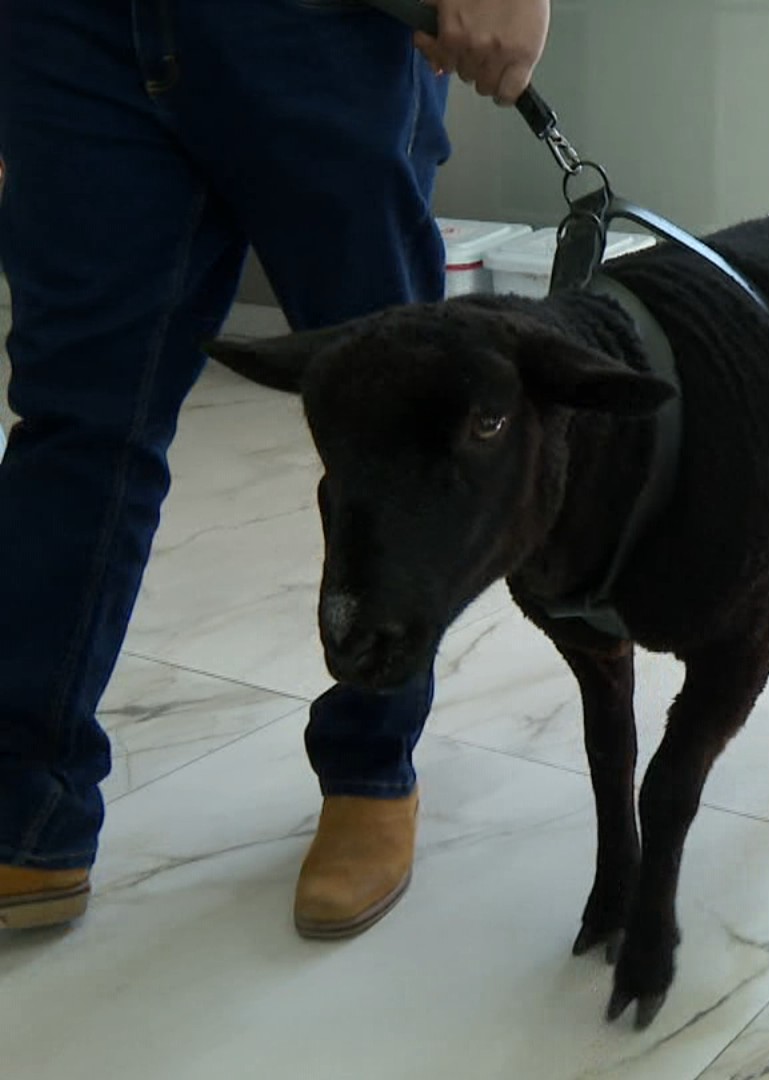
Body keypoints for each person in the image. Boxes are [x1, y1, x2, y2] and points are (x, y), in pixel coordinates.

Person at [0, 0, 550, 934]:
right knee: (74, 424)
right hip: (67, 29)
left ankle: (372, 768)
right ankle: (26, 803)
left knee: (395, 419)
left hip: (323, 25)